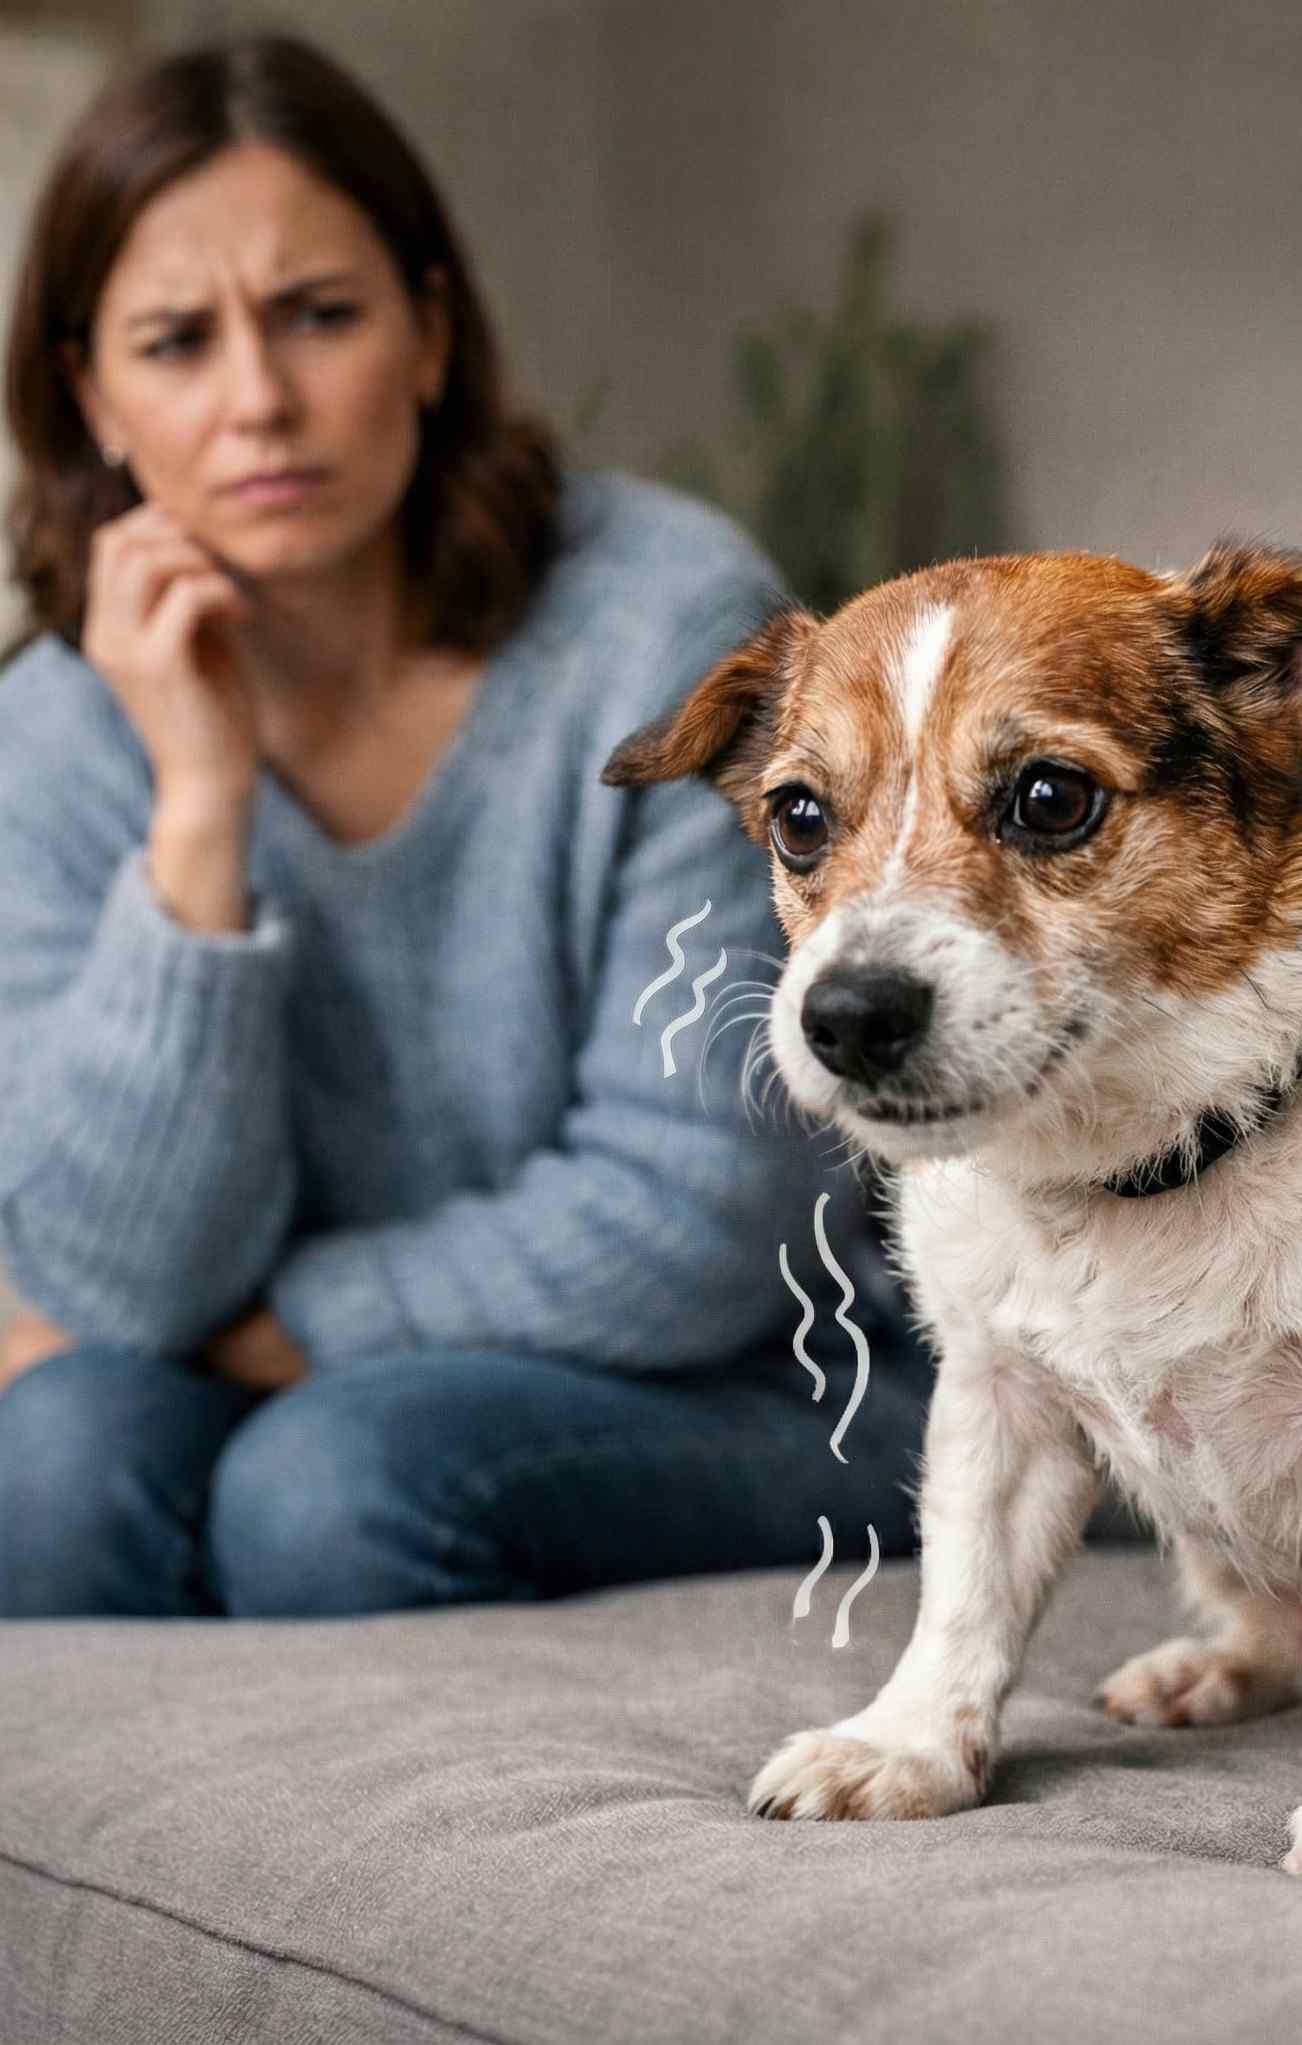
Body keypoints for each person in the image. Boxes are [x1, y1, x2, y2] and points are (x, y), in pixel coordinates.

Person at [0, 34, 935, 1618]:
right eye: (176, 341)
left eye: (320, 315)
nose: (259, 401)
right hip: (352, 1378)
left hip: (775, 1377)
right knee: (57, 1456)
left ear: (430, 334)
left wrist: (270, 1338)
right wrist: (202, 807)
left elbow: (699, 1217)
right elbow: (120, 1281)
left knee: (330, 1483)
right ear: (92, 397)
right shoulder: (55, 724)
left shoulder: (657, 618)